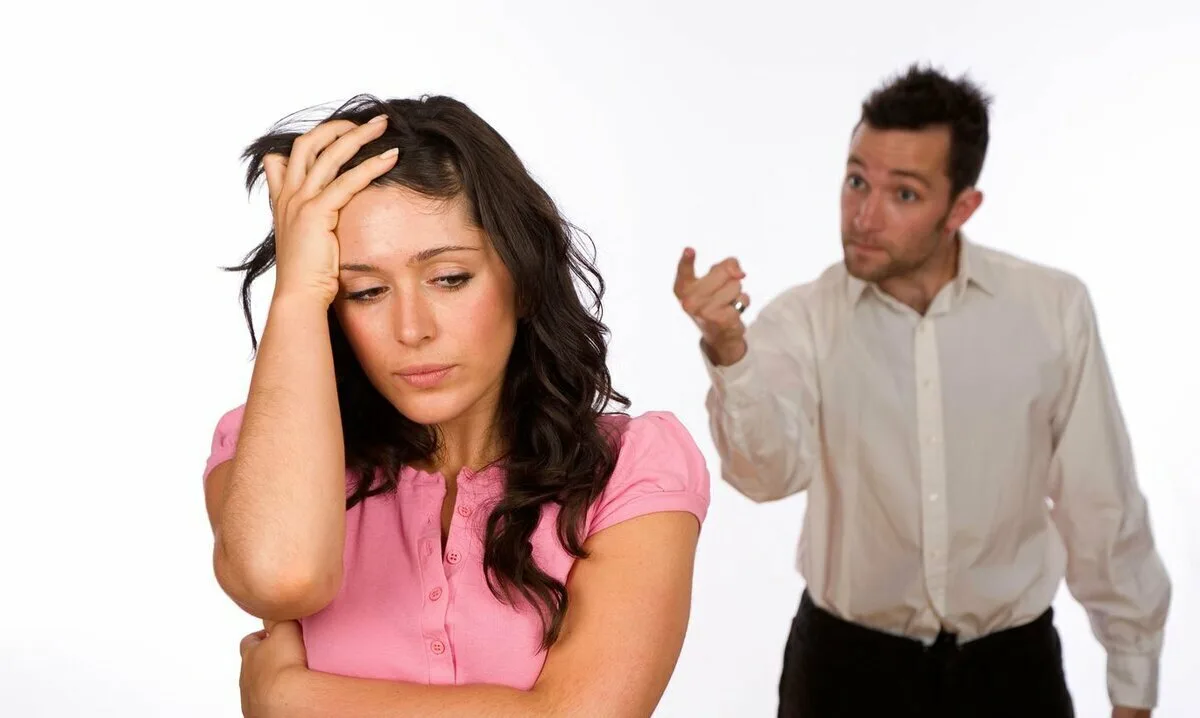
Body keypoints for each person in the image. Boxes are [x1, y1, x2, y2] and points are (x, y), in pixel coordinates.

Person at [674, 64, 1170, 718]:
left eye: (903, 194)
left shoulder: (1051, 310)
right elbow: (766, 476)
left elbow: (1100, 501)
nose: (863, 216)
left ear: (961, 209)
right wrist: (729, 351)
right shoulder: (804, 319)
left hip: (1011, 673)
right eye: (857, 181)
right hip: (844, 672)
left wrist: (1133, 686)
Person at [201, 94, 711, 717]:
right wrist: (297, 294)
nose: (411, 329)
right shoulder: (261, 453)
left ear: (524, 278)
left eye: (449, 278)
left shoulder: (632, 469)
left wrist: (291, 699)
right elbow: (282, 577)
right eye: (366, 291)